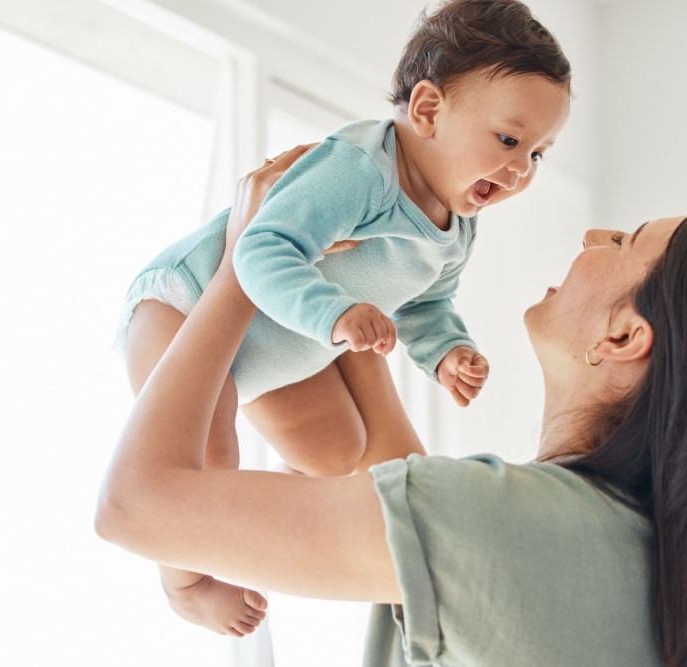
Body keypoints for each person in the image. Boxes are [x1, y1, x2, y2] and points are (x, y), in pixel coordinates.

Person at [97, 146, 687, 665]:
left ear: (627, 334)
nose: (597, 232)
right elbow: (401, 477)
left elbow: (135, 506)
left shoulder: (507, 523)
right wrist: (356, 278)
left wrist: (245, 259)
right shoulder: (651, 564)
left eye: (627, 241)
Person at [113, 0, 571, 635]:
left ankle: (259, 523)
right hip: (185, 307)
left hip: (279, 343)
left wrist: (445, 351)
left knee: (336, 452)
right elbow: (261, 247)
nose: (521, 169)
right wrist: (338, 314)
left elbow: (427, 303)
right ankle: (183, 582)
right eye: (510, 140)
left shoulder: (458, 228)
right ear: (429, 110)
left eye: (539, 154)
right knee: (209, 464)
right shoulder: (361, 172)